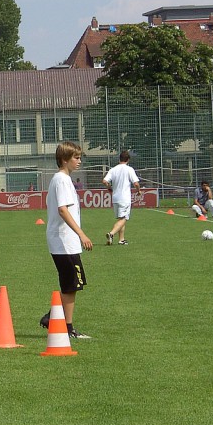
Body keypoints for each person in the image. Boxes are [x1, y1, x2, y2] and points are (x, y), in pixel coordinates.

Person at [39, 141, 94, 339]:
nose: (79, 161)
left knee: (73, 284)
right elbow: (63, 210)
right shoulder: (61, 180)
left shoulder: (64, 179)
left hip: (66, 242)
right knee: (71, 285)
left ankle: (52, 318)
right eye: (76, 157)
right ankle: (67, 328)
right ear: (64, 160)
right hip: (63, 241)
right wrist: (81, 233)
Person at [102, 150, 141, 245]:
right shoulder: (129, 169)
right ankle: (111, 233)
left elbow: (104, 181)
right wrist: (138, 191)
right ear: (128, 159)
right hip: (124, 198)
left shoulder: (113, 169)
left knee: (121, 218)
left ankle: (121, 240)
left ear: (119, 159)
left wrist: (109, 188)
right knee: (124, 218)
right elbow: (135, 183)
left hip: (115, 198)